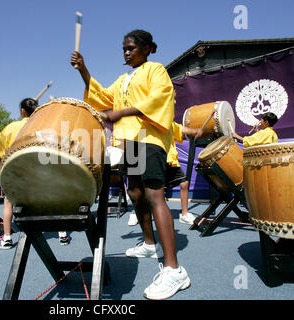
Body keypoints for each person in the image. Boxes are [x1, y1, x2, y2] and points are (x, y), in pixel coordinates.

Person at [71, 29, 190, 300]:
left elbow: (157, 100)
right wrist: (83, 69)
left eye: (131, 48)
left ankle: (174, 269)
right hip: (130, 142)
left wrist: (118, 113)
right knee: (135, 193)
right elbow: (101, 97)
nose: (126, 52)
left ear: (147, 49)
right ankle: (150, 243)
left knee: (153, 194)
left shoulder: (156, 70)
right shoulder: (123, 79)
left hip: (149, 138)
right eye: (123, 48)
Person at [0, 98, 38, 249]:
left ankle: (6, 238)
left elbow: (1, 143)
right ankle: (62, 233)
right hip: (36, 171)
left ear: (22, 111)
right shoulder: (41, 125)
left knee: (8, 202)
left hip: (15, 170)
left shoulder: (12, 127)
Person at [165, 122, 202, 225]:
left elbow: (180, 129)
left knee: (184, 183)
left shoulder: (169, 122)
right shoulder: (149, 121)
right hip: (155, 159)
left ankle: (184, 214)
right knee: (147, 189)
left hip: (170, 160)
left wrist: (195, 131)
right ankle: (138, 213)